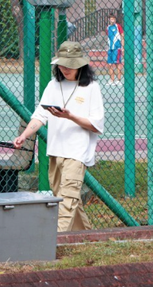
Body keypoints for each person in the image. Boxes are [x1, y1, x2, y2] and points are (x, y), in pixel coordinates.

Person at [13, 41, 104, 232]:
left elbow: (96, 125)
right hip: (55, 151)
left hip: (77, 152)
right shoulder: (53, 85)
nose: (65, 69)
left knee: (67, 200)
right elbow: (40, 116)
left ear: (80, 64)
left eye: (70, 65)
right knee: (66, 198)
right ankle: (87, 238)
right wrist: (24, 135)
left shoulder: (91, 88)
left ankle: (56, 241)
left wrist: (70, 116)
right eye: (62, 64)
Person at [105, 14, 123, 85]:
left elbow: (122, 35)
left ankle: (118, 80)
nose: (112, 19)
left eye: (113, 18)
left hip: (117, 48)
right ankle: (111, 79)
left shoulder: (118, 26)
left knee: (117, 64)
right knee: (109, 64)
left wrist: (123, 47)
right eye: (111, 18)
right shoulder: (108, 28)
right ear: (109, 19)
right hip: (110, 49)